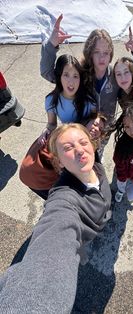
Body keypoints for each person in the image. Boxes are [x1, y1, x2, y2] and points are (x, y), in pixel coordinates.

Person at [0, 123, 112, 313]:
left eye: (83, 142)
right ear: (59, 162)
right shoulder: (64, 199)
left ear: (93, 145)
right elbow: (53, 241)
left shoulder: (96, 167)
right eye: (68, 148)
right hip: (81, 237)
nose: (79, 150)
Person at [40, 14, 133, 125]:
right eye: (96, 52)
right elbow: (47, 72)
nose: (102, 58)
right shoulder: (80, 74)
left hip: (104, 131)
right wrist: (51, 45)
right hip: (82, 132)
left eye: (106, 53)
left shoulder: (116, 76)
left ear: (111, 55)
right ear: (89, 53)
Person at [38, 53, 96, 146]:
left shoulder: (89, 99)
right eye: (66, 75)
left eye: (75, 76)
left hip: (87, 142)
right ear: (59, 76)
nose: (71, 81)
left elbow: (95, 119)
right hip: (69, 142)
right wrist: (46, 131)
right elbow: (52, 124)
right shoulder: (51, 100)